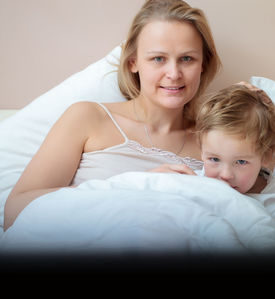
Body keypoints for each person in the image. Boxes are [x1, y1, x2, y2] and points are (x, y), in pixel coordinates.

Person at [3, 0, 221, 230]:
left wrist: (258, 120)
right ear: (133, 62)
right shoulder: (89, 118)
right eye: (158, 58)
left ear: (203, 64)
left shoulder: (214, 143)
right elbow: (15, 212)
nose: (174, 73)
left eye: (187, 58)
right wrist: (132, 186)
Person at [194, 84, 275, 252]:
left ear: (266, 156)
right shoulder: (193, 181)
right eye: (214, 159)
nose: (225, 175)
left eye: (241, 162)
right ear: (201, 152)